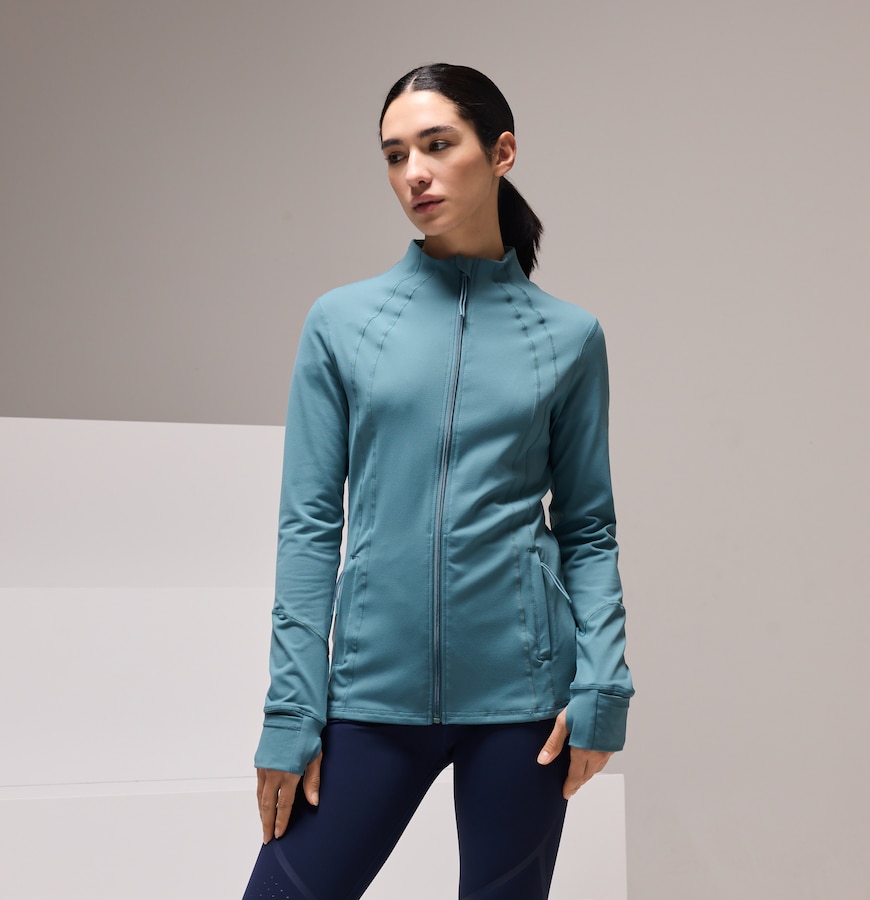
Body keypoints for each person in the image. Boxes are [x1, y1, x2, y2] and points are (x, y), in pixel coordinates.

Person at [242, 63, 633, 900]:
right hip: (370, 695)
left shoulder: (568, 337)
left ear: (501, 153)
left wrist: (604, 682)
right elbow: (309, 525)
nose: (413, 172)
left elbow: (588, 527)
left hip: (525, 705)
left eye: (437, 144)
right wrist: (292, 709)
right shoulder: (343, 323)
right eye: (395, 155)